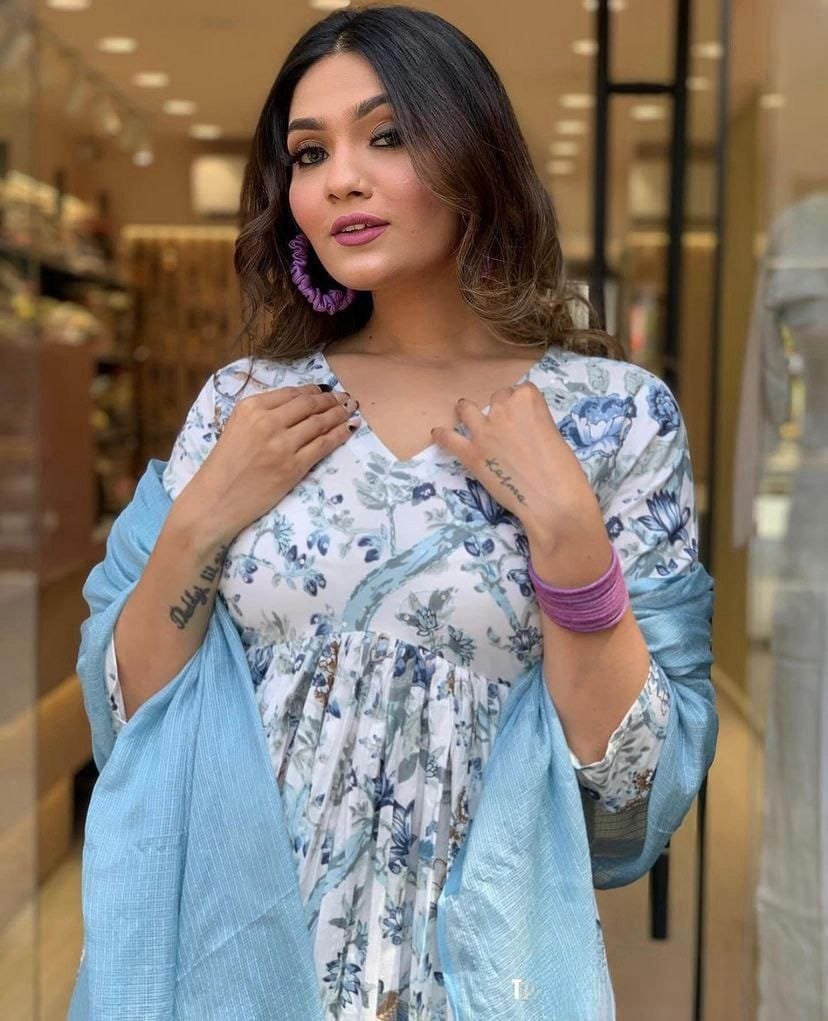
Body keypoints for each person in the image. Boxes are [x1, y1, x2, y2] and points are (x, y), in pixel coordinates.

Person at [77, 6, 717, 1019]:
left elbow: (632, 790)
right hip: (233, 952)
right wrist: (200, 520)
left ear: (474, 151)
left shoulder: (611, 417)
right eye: (309, 152)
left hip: (474, 969)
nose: (340, 179)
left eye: (387, 136)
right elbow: (132, 722)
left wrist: (571, 543)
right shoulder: (247, 404)